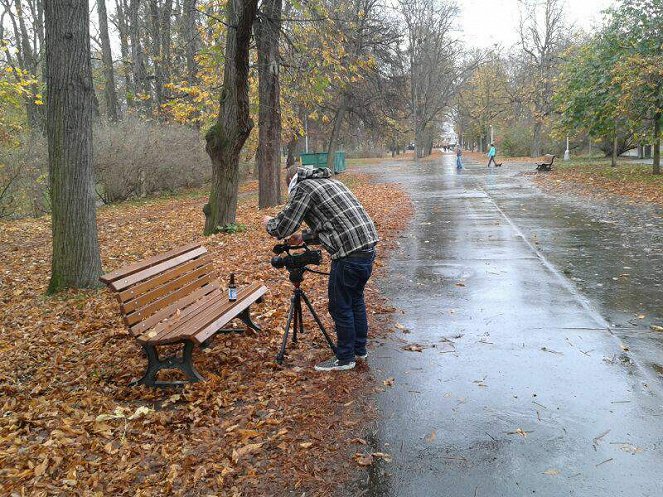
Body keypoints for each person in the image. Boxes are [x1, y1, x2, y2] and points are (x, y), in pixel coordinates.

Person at [263, 166, 379, 372]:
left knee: (340, 306)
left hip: (349, 254)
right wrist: (304, 237)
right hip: (367, 249)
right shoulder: (331, 182)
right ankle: (359, 350)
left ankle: (345, 358)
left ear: (290, 182)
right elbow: (334, 224)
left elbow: (282, 228)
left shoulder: (304, 187)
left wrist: (268, 223)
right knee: (355, 300)